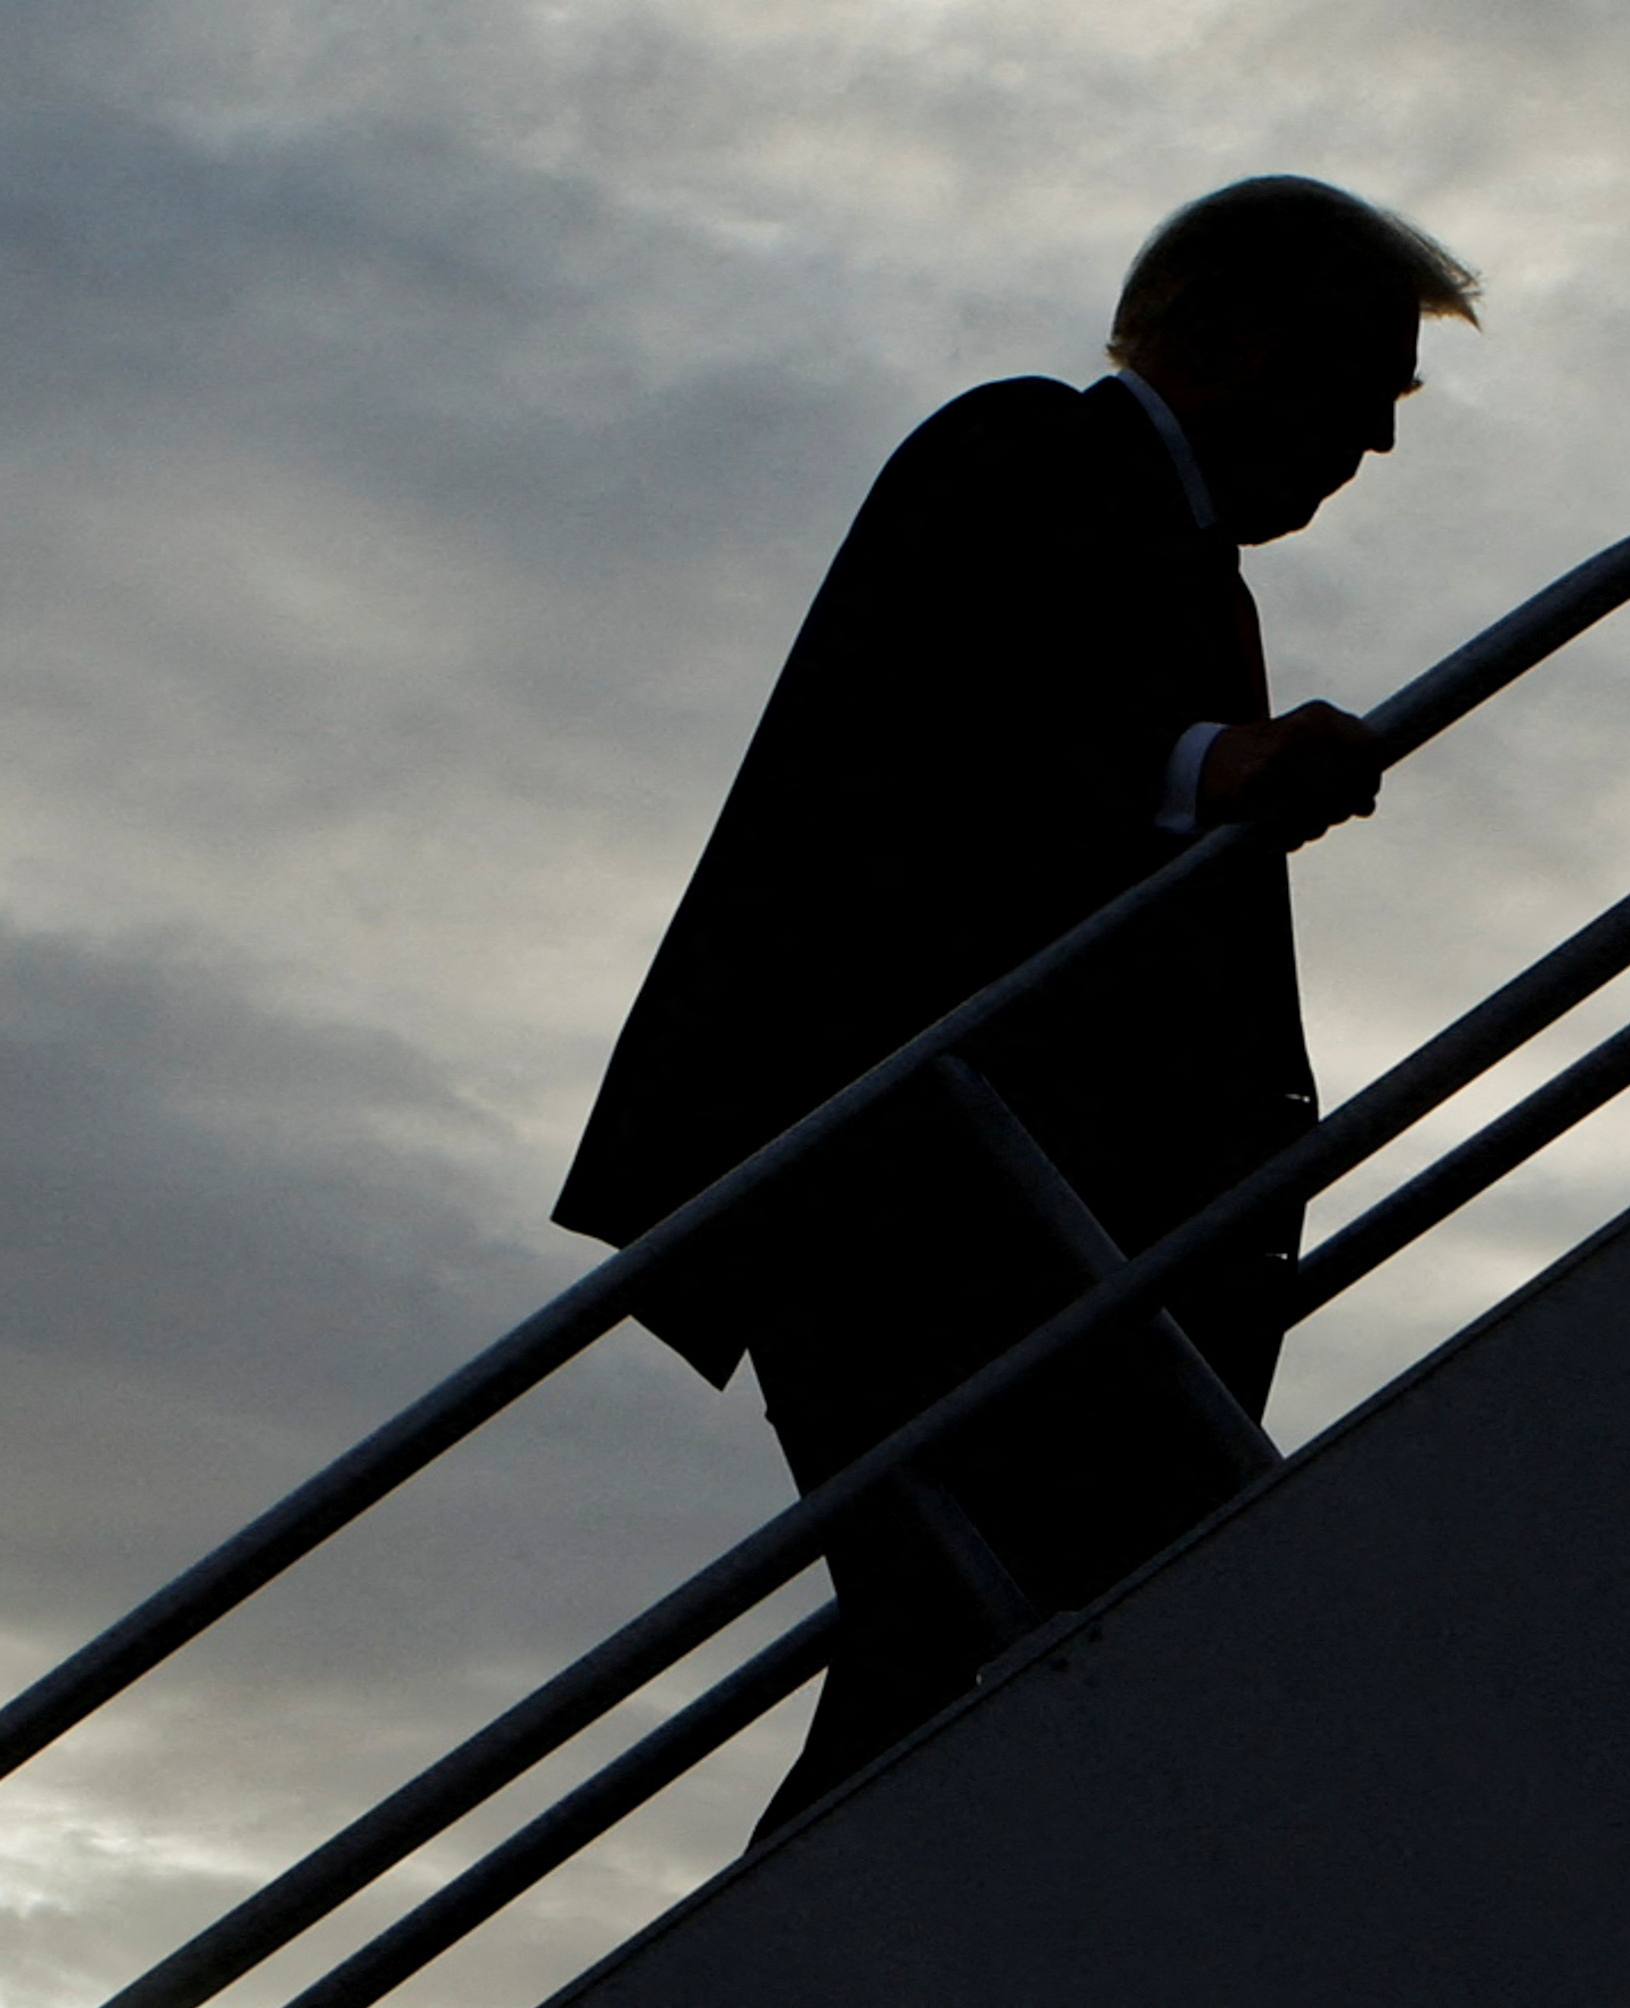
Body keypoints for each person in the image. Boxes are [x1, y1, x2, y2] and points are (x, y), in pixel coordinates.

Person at [554, 176, 1478, 1830]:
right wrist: (1210, 763)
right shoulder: (1029, 454)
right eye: (1359, 380)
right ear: (1218, 339)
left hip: (1008, 1209)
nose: (1376, 441)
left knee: (989, 1640)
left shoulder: (1171, 547)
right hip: (920, 1201)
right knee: (974, 1632)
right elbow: (920, 738)